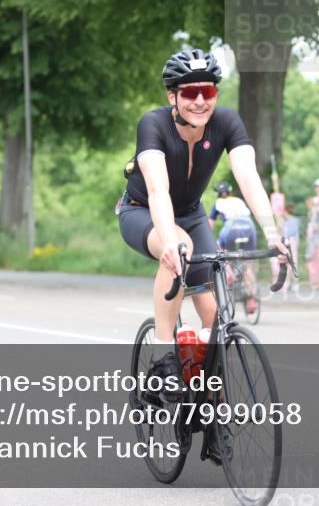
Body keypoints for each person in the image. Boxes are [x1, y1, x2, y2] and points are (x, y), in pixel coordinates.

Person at [117, 48, 289, 406]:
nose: (199, 101)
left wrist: (273, 235)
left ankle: (211, 400)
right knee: (179, 248)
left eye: (207, 92)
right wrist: (169, 241)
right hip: (143, 211)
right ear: (173, 96)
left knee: (214, 316)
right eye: (190, 92)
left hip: (192, 215)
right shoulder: (153, 124)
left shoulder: (226, 122)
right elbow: (157, 190)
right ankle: (163, 358)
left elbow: (248, 178)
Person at [209, 181, 258, 313]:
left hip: (231, 228)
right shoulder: (239, 201)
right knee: (247, 265)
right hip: (249, 227)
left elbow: (209, 226)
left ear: (218, 194)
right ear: (230, 192)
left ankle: (229, 274)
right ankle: (252, 298)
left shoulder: (218, 203)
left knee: (221, 251)